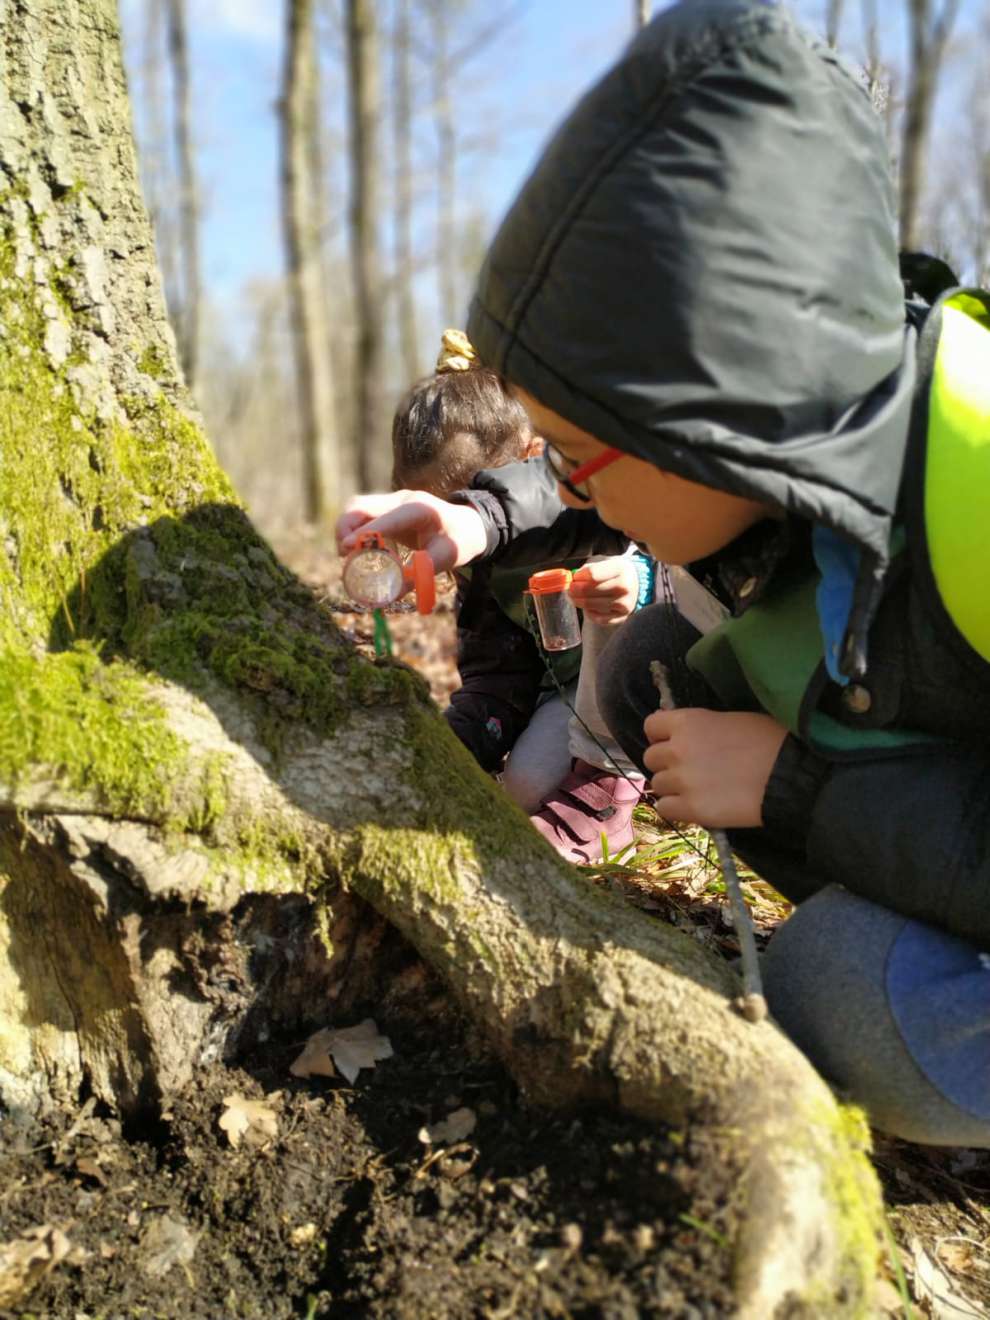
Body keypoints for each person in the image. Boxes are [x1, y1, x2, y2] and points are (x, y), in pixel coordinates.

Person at [338, 0, 990, 1147]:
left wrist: (798, 791)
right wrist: (477, 520)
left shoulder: (975, 494)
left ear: (716, 424)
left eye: (576, 455)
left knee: (845, 991)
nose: (570, 492)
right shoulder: (800, 447)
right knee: (649, 671)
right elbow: (582, 494)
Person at [391, 330, 650, 862]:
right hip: (568, 699)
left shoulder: (598, 501)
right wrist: (456, 747)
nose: (459, 529)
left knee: (610, 567)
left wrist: (638, 585)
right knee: (526, 788)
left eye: (468, 505)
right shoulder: (479, 571)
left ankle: (610, 790)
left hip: (654, 683)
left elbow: (687, 577)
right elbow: (498, 677)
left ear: (534, 457)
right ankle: (602, 769)